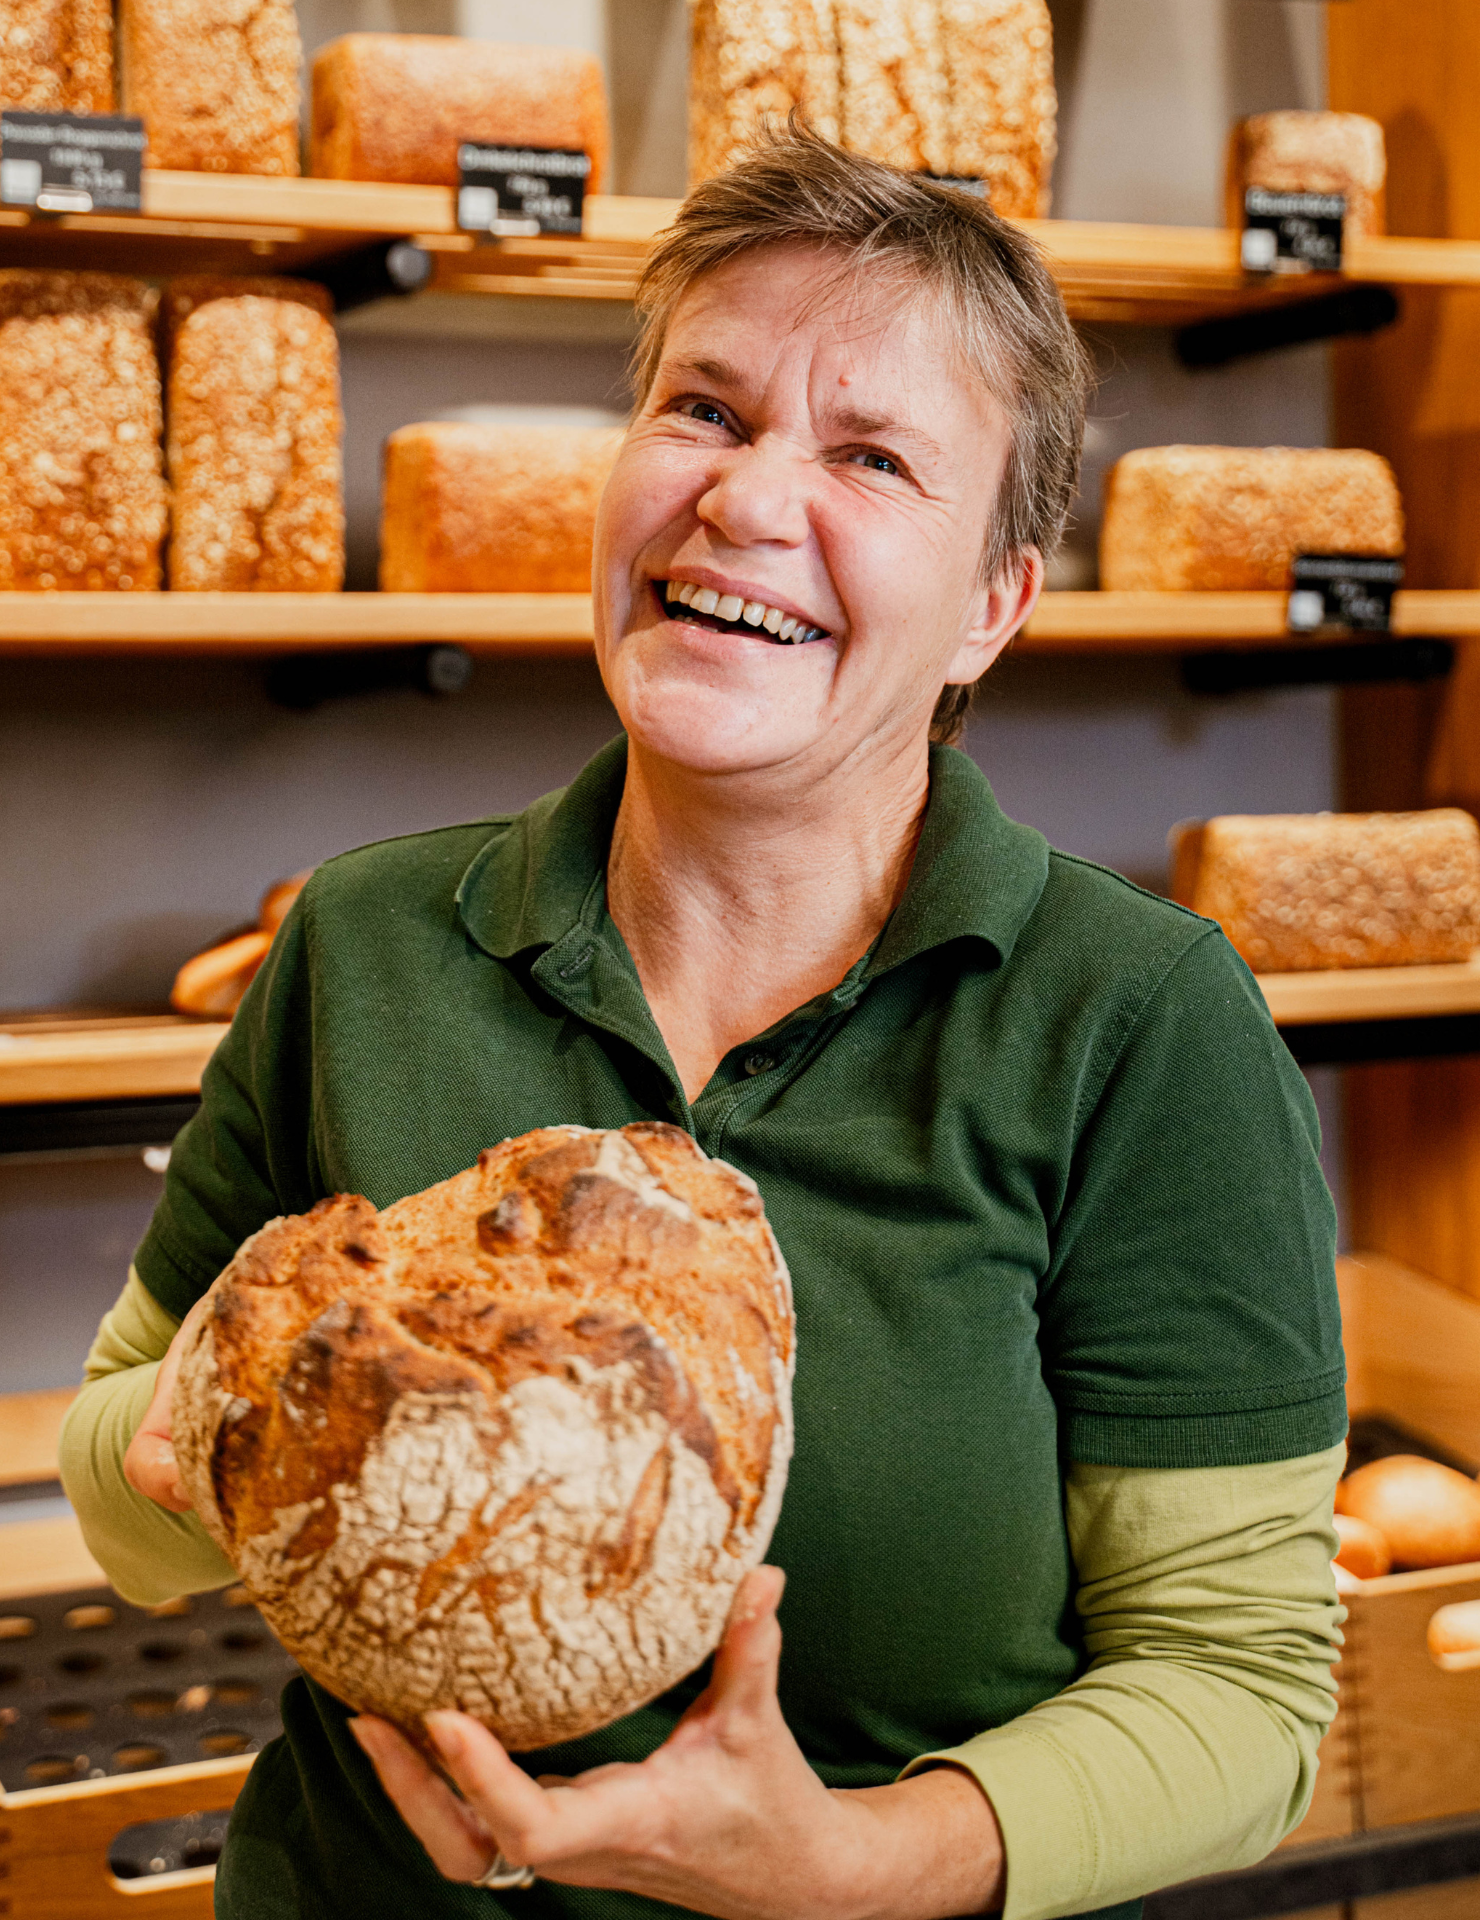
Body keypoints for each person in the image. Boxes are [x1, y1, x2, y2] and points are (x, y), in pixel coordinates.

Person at [61, 128, 1346, 1920]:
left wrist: (843, 1867)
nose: (745, 503)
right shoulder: (364, 939)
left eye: (873, 456)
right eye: (704, 412)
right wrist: (245, 1425)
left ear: (994, 605)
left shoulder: (1136, 1023)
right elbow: (125, 1482)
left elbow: (1244, 1695)